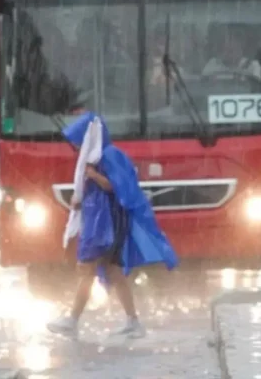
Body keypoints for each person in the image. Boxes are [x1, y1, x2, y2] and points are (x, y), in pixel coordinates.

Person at [47, 112, 179, 339]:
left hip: (108, 224)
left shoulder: (109, 156)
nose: (78, 147)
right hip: (100, 223)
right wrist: (80, 203)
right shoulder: (97, 158)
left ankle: (73, 319)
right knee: (113, 272)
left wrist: (92, 175)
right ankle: (132, 321)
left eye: (80, 142)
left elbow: (118, 187)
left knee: (88, 269)